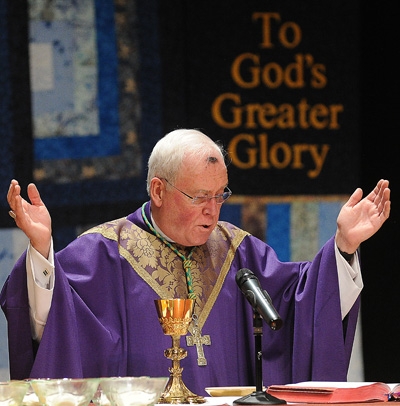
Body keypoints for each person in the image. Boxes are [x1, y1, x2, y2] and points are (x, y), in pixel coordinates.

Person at [1, 129, 391, 397]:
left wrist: (343, 245)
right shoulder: (102, 252)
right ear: (158, 190)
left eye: (221, 195)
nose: (212, 210)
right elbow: (54, 325)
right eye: (200, 196)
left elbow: (302, 304)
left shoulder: (238, 250)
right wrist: (41, 248)